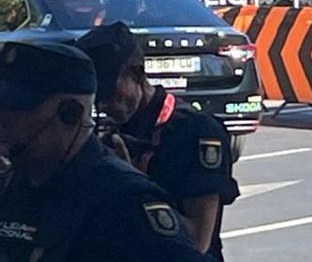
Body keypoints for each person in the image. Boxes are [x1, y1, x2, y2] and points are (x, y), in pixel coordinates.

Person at [0, 40, 204, 261]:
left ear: (71, 114)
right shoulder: (13, 188)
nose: (4, 118)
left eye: (17, 108)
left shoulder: (124, 203)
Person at [77, 22, 239, 259]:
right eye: (96, 96)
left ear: (137, 74)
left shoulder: (195, 132)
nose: (104, 104)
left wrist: (132, 183)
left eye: (110, 92)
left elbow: (197, 241)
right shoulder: (110, 134)